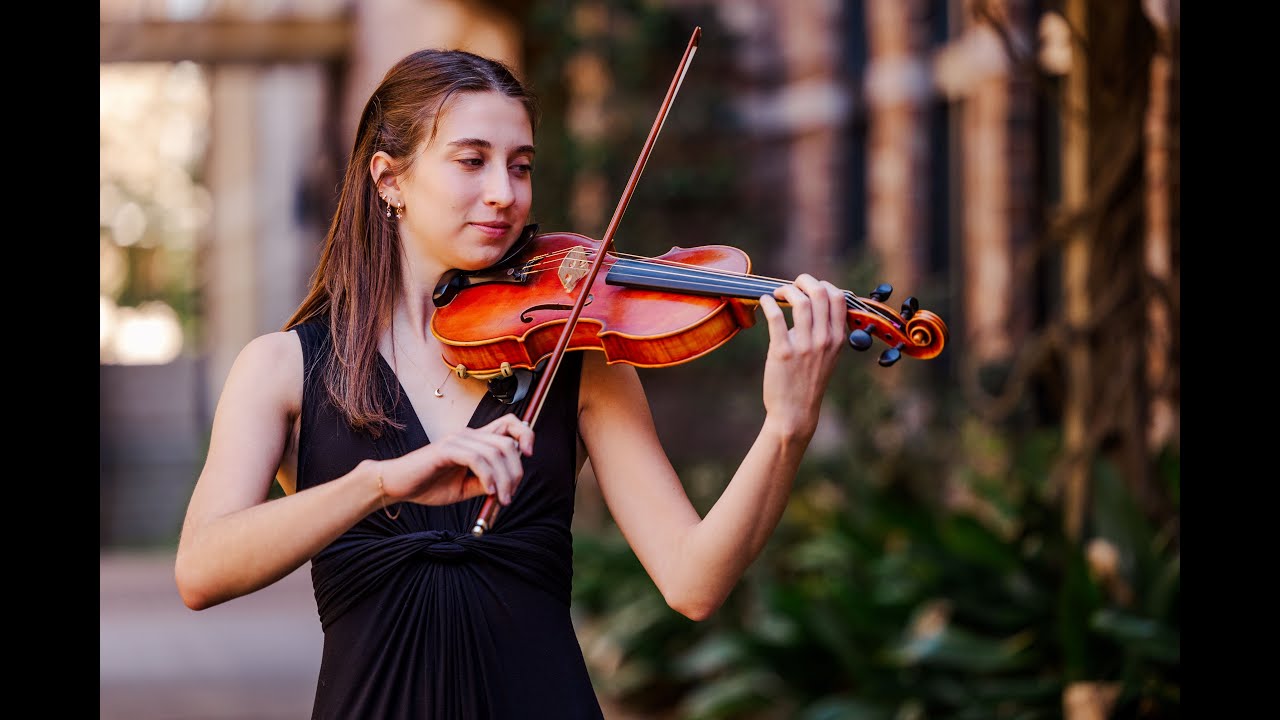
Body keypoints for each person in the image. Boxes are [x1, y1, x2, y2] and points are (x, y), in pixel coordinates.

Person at [175, 47, 848, 720]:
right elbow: (201, 570)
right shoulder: (284, 367)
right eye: (472, 161)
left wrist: (786, 427)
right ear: (390, 180)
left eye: (521, 166)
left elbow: (693, 583)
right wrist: (379, 482)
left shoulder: (577, 353)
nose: (505, 192)